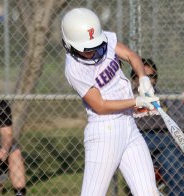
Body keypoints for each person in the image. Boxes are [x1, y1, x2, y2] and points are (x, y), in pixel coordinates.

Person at [61, 8, 160, 196]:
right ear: (69, 44)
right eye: (86, 49)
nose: (92, 52)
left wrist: (143, 78)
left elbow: (131, 55)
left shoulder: (101, 38)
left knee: (149, 192)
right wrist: (136, 101)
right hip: (104, 132)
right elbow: (100, 106)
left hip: (129, 126)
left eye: (94, 47)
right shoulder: (74, 69)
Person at [130, 58, 184, 196]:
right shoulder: (128, 97)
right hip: (137, 139)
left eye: (151, 76)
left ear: (156, 79)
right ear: (134, 78)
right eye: (141, 76)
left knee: (173, 158)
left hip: (165, 140)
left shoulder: (165, 97)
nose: (147, 80)